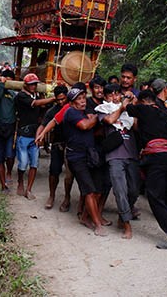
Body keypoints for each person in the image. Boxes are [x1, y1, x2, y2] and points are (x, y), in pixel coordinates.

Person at [123, 86, 167, 249]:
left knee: (155, 197)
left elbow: (126, 107)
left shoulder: (144, 109)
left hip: (156, 158)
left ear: (144, 101)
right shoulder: (164, 114)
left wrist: (128, 98)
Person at [61, 87, 108, 236]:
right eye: (79, 99)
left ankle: (85, 217)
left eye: (83, 98)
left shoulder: (82, 113)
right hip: (76, 157)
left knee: (96, 189)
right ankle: (98, 225)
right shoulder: (71, 112)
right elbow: (85, 125)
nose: (83, 101)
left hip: (88, 155)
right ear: (72, 102)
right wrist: (98, 115)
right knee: (89, 190)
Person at [96, 83, 139, 239]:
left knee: (134, 190)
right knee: (120, 191)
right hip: (114, 156)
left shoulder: (128, 110)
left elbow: (136, 126)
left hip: (131, 153)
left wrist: (133, 105)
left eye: (117, 94)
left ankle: (123, 216)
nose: (115, 97)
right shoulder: (102, 109)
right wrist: (121, 107)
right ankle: (127, 225)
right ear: (106, 97)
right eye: (111, 95)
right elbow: (109, 120)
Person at [14, 73, 56, 200]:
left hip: (35, 133)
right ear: (25, 84)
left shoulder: (37, 95)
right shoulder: (21, 96)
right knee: (23, 163)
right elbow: (36, 103)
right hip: (24, 133)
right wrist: (53, 98)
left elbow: (42, 107)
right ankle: (20, 182)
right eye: (31, 84)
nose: (34, 86)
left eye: (35, 84)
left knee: (34, 163)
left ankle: (29, 189)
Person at [39, 85, 74, 211]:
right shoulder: (52, 111)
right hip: (57, 145)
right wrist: (39, 136)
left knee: (69, 175)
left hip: (71, 146)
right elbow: (44, 125)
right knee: (54, 171)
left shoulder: (73, 108)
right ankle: (52, 196)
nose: (61, 102)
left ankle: (67, 198)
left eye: (63, 99)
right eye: (58, 99)